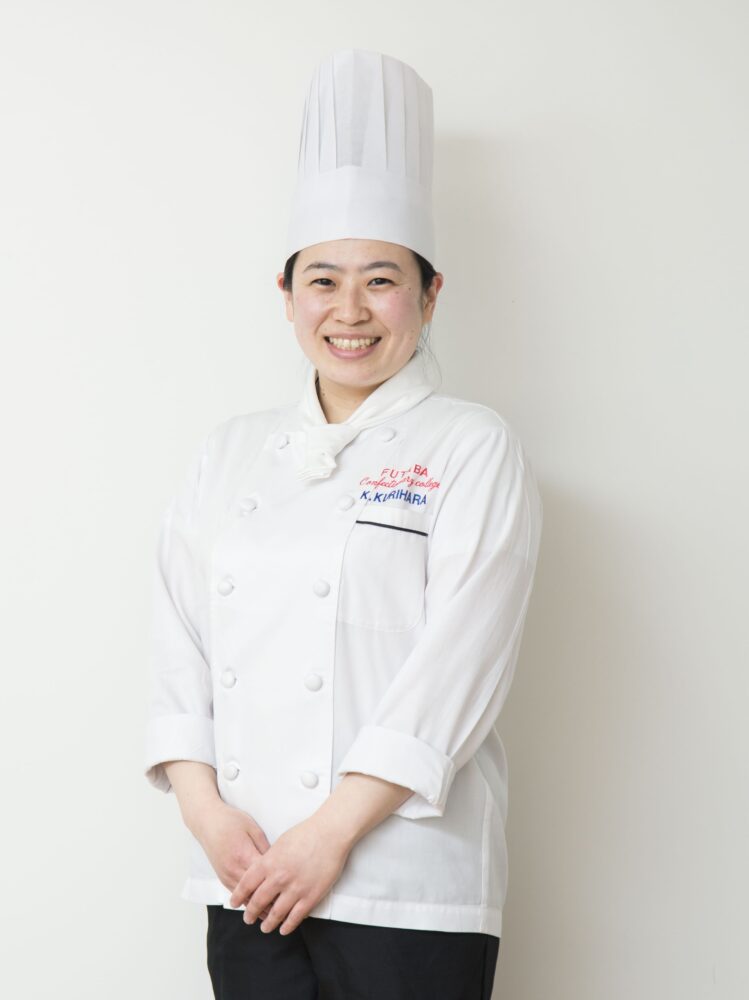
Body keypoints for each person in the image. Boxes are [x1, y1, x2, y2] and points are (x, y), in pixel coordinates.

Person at [143, 48, 543, 999]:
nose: (350, 311)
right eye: (322, 280)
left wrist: (327, 835)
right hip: (244, 873)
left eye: (382, 280)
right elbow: (177, 644)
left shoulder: (471, 445)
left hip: (405, 884)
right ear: (285, 295)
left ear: (430, 294)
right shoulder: (228, 452)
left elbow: (457, 668)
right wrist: (206, 814)